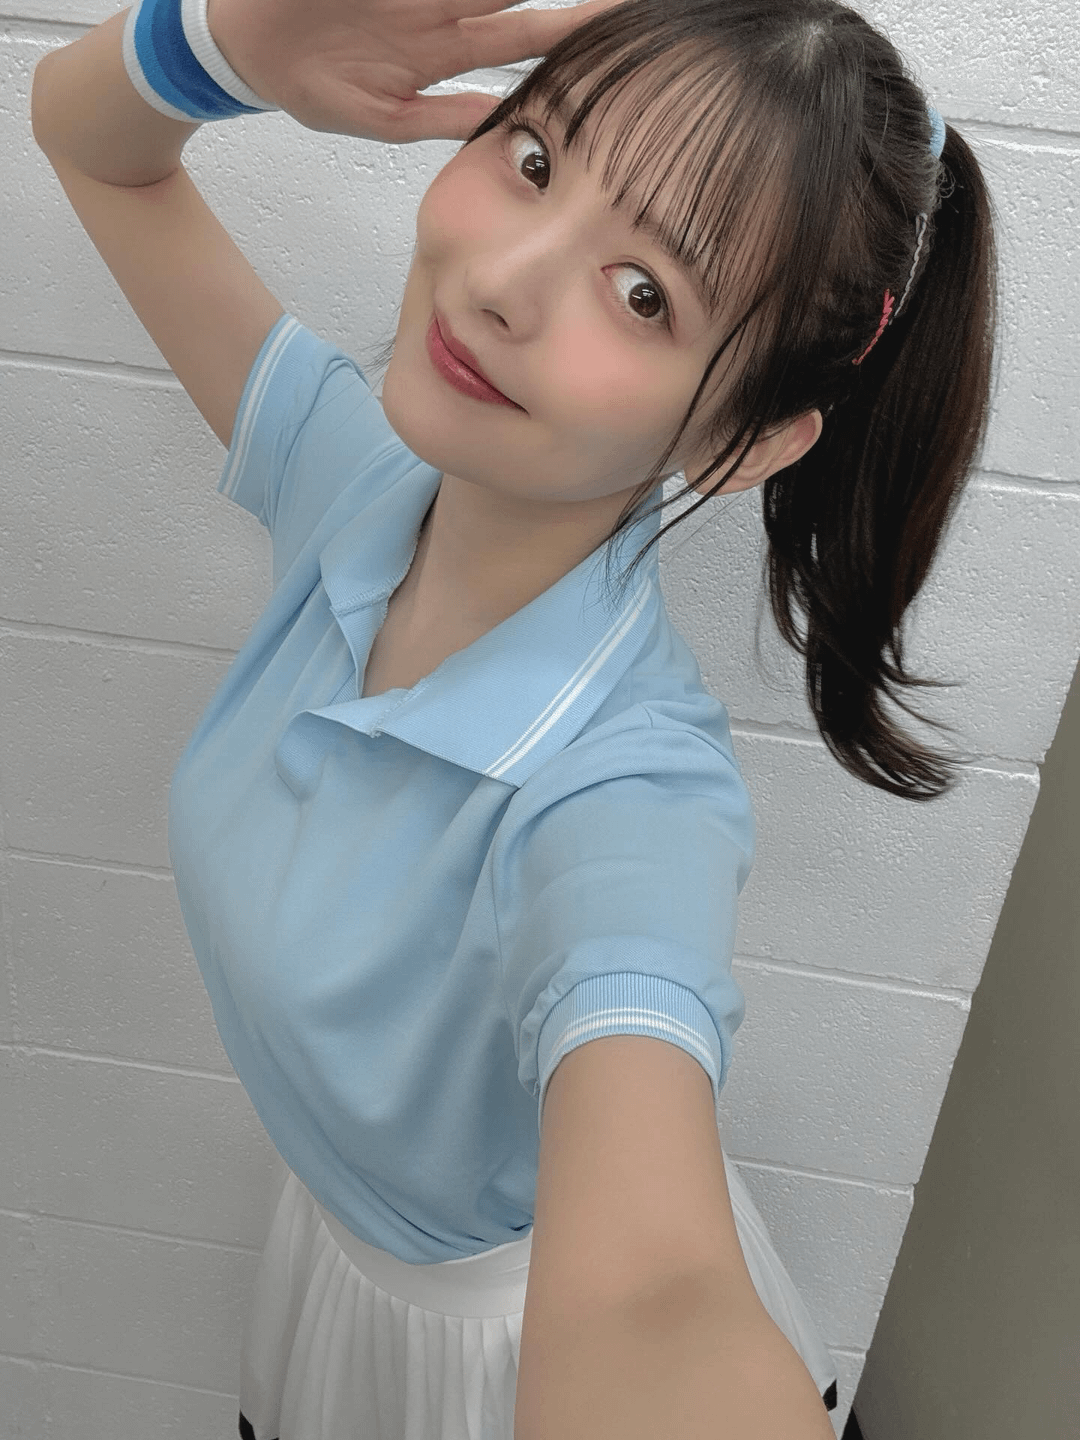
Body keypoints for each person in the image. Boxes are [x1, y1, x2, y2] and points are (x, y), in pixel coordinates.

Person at [30, 0, 996, 1435]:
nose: (499, 279)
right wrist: (232, 48)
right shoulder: (350, 480)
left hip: (485, 1366)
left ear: (745, 441)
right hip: (334, 1263)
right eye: (537, 158)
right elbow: (88, 136)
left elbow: (655, 1297)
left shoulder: (625, 795)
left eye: (646, 292)